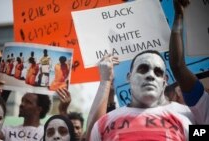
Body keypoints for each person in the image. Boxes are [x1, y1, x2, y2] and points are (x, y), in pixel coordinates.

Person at [89, 1, 209, 140]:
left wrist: (179, 16)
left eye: (158, 72)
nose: (150, 76)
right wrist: (105, 80)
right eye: (143, 69)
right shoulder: (105, 123)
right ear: (129, 77)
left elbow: (177, 66)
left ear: (165, 81)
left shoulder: (188, 118)